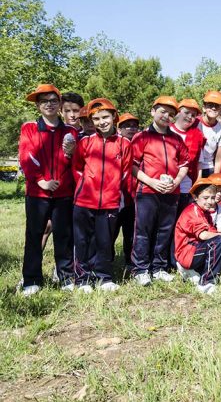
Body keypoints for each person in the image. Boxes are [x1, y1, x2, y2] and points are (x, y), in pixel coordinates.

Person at [18, 84, 78, 295]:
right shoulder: (30, 128)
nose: (50, 105)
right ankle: (31, 280)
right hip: (37, 193)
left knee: (64, 236)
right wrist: (40, 180)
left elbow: (74, 162)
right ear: (38, 106)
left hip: (64, 193)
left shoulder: (70, 131)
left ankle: (66, 277)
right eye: (45, 101)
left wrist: (70, 156)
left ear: (59, 104)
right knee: (35, 235)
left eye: (54, 100)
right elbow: (27, 156)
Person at [71, 98, 132, 292]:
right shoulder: (85, 142)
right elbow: (77, 168)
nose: (101, 122)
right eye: (96, 119)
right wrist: (86, 185)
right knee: (83, 241)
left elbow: (125, 172)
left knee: (104, 241)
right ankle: (83, 278)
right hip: (84, 201)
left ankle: (104, 277)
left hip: (110, 202)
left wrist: (113, 191)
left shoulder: (124, 144)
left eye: (105, 117)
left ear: (114, 117)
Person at [131, 96, 189, 286]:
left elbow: (184, 165)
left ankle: (159, 268)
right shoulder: (142, 137)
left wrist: (177, 182)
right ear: (153, 111)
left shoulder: (177, 139)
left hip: (171, 193)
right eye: (163, 111)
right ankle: (140, 269)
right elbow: (132, 166)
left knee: (165, 231)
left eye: (171, 114)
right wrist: (151, 182)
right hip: (147, 192)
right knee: (143, 231)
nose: (166, 116)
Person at [174, 177, 221, 294]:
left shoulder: (205, 213)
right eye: (205, 198)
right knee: (219, 242)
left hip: (197, 249)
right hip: (187, 253)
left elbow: (213, 232)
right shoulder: (193, 211)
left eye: (212, 198)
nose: (210, 201)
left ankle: (194, 272)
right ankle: (205, 283)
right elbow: (203, 235)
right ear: (195, 197)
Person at [170, 99, 206, 215]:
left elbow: (199, 164)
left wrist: (197, 185)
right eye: (186, 112)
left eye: (193, 115)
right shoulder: (166, 130)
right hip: (166, 186)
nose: (189, 117)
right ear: (178, 112)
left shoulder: (197, 136)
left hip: (185, 187)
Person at [115, 113, 140, 271]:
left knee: (131, 233)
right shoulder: (115, 143)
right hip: (116, 197)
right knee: (110, 232)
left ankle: (130, 263)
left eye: (134, 125)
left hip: (135, 198)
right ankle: (107, 261)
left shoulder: (140, 143)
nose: (131, 128)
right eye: (126, 125)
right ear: (119, 128)